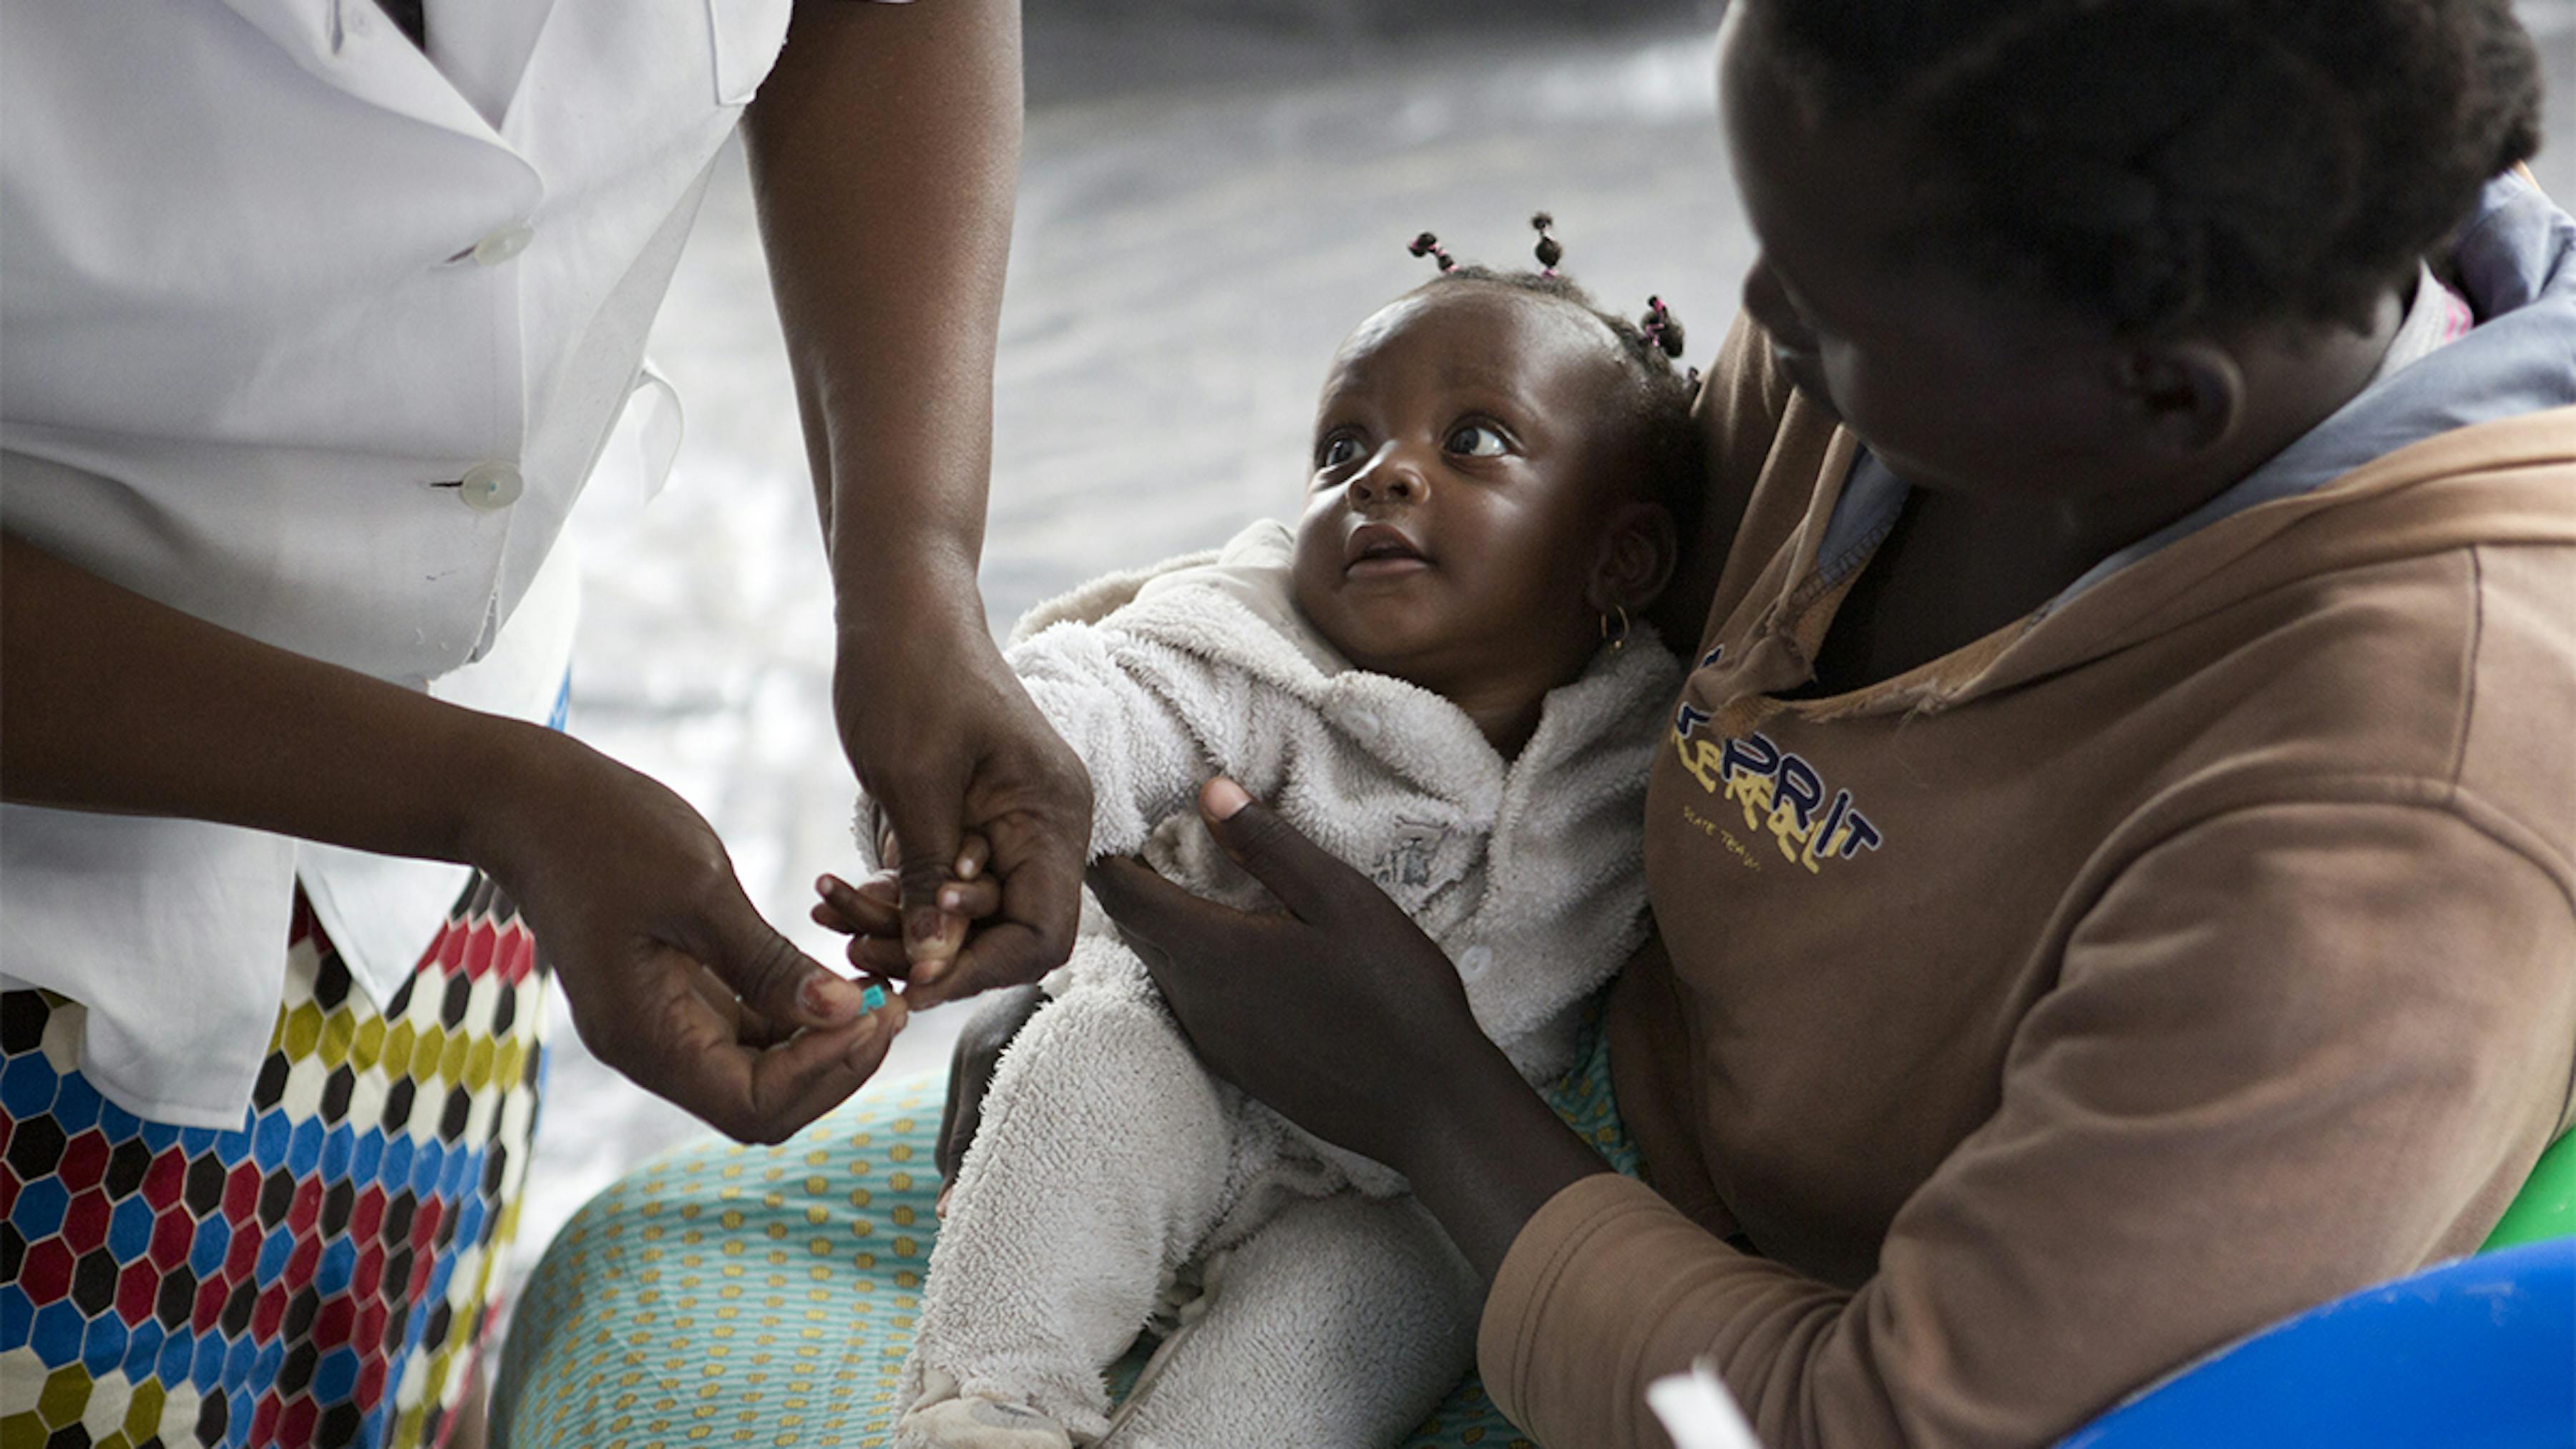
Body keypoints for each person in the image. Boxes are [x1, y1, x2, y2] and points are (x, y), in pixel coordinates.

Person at [1081, 1, 2576, 1445]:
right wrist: (1136, 811)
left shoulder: (2405, 809)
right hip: (1574, 1111)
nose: (1762, 319)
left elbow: (1870, 1424)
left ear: (2169, 401)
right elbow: (1550, 625)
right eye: (1773, 248)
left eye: (1830, 305)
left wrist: (1423, 1097)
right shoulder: (1974, 321)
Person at [0, 1, 1088, 1445]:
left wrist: (915, 568)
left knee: (377, 1390)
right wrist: (491, 798)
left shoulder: (519, 824)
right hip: (49, 930)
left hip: (470, 880)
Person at [843, 226, 1699, 1448]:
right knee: (1096, 1058)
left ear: (1622, 554)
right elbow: (1102, 704)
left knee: (1401, 1303)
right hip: (1187, 1074)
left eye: (1475, 441)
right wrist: (981, 817)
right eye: (1343, 447)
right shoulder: (1259, 654)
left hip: (1402, 1189)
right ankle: (988, 1404)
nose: (1383, 476)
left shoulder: (1643, 750)